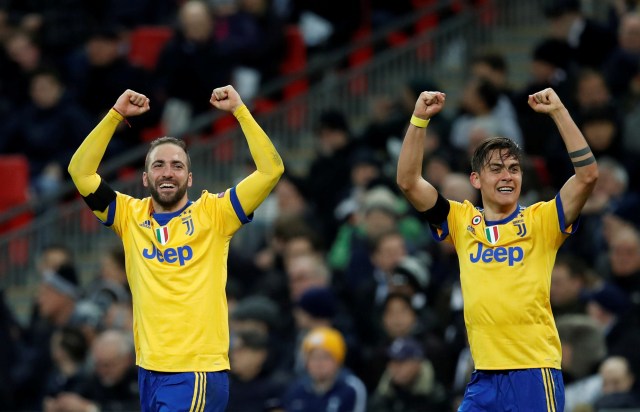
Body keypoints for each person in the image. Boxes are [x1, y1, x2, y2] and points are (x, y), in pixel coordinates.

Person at [67, 84, 284, 411]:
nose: (168, 172)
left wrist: (240, 111)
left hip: (194, 370)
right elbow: (80, 171)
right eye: (158, 165)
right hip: (149, 369)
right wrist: (115, 116)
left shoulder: (215, 214)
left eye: (177, 165)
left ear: (190, 178)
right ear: (145, 178)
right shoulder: (128, 216)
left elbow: (271, 170)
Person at [396, 87, 599, 410]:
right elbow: (408, 181)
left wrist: (559, 111)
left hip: (533, 371)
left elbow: (587, 176)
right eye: (496, 168)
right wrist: (419, 119)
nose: (507, 176)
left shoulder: (542, 220)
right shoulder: (461, 221)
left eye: (514, 168)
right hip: (483, 377)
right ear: (476, 179)